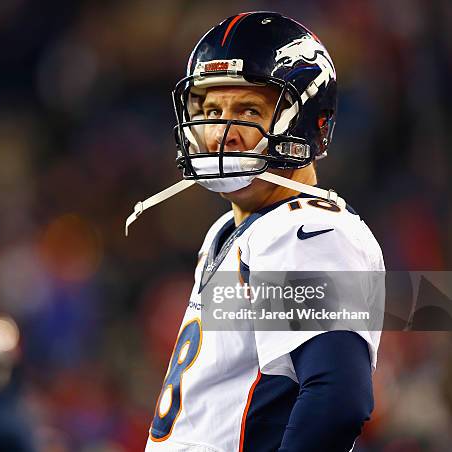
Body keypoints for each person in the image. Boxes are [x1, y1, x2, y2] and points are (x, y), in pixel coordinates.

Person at [126, 12, 385, 452]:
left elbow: (337, 398)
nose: (222, 132)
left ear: (308, 123)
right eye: (211, 111)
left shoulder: (308, 230)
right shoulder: (230, 231)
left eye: (248, 110)